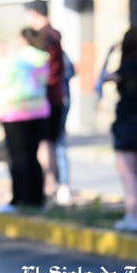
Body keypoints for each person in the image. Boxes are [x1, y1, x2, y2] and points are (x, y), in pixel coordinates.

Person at [96, 27, 137, 232]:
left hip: (128, 121)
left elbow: (102, 78)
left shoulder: (127, 67)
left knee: (127, 171)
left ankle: (132, 215)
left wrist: (108, 53)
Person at [0, 27, 50, 211]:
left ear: (23, 40)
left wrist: (1, 58)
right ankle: (37, 199)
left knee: (17, 158)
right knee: (32, 156)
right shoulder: (42, 58)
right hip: (39, 112)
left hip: (16, 112)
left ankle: (18, 199)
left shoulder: (15, 60)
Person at [26, 0, 65, 201]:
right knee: (50, 143)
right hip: (55, 95)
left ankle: (47, 186)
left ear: (34, 14)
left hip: (46, 97)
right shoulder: (54, 34)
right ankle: (52, 185)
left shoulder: (45, 37)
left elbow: (43, 69)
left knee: (44, 144)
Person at [54, 51, 76, 205]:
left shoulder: (59, 56)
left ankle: (63, 183)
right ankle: (57, 184)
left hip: (58, 103)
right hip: (55, 104)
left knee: (59, 143)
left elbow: (71, 71)